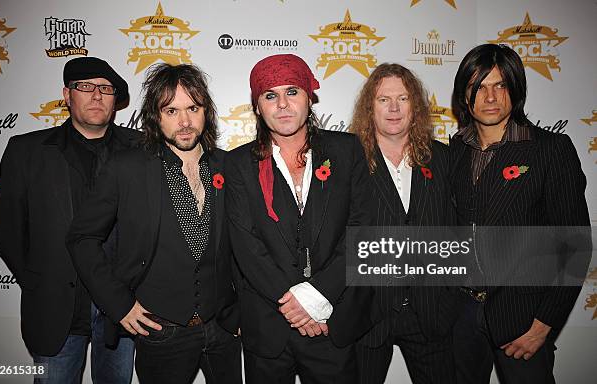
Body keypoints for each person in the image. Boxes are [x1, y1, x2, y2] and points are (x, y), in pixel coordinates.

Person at [65, 63, 242, 384]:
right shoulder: (127, 168)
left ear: (206, 112)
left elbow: (248, 242)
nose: (185, 122)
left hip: (223, 328)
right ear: (155, 116)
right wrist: (118, 304)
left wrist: (242, 312)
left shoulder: (229, 166)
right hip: (161, 331)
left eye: (193, 108)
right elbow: (82, 238)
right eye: (171, 110)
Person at [225, 53, 375, 383]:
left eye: (292, 92)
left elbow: (363, 230)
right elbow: (246, 247)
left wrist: (318, 297)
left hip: (332, 321)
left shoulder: (349, 151)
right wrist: (299, 308)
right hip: (269, 325)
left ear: (309, 97)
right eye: (270, 95)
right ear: (257, 106)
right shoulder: (237, 164)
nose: (282, 105)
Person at [0, 56, 138, 383]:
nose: (96, 96)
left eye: (105, 89)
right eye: (85, 87)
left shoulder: (141, 149)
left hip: (121, 310)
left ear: (115, 101)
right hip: (54, 309)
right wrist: (36, 279)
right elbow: (5, 226)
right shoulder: (26, 151)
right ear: (67, 94)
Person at [449, 43, 590, 384]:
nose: (491, 97)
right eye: (478, 87)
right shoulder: (454, 150)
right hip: (459, 315)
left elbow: (575, 245)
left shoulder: (550, 149)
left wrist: (544, 323)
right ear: (464, 95)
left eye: (501, 85)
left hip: (522, 317)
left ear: (516, 89)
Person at [350, 63, 458, 384]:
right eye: (384, 100)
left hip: (430, 314)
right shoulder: (350, 160)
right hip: (368, 314)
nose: (394, 108)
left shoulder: (443, 159)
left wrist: (449, 299)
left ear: (416, 106)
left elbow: (457, 231)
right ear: (370, 107)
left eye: (403, 98)